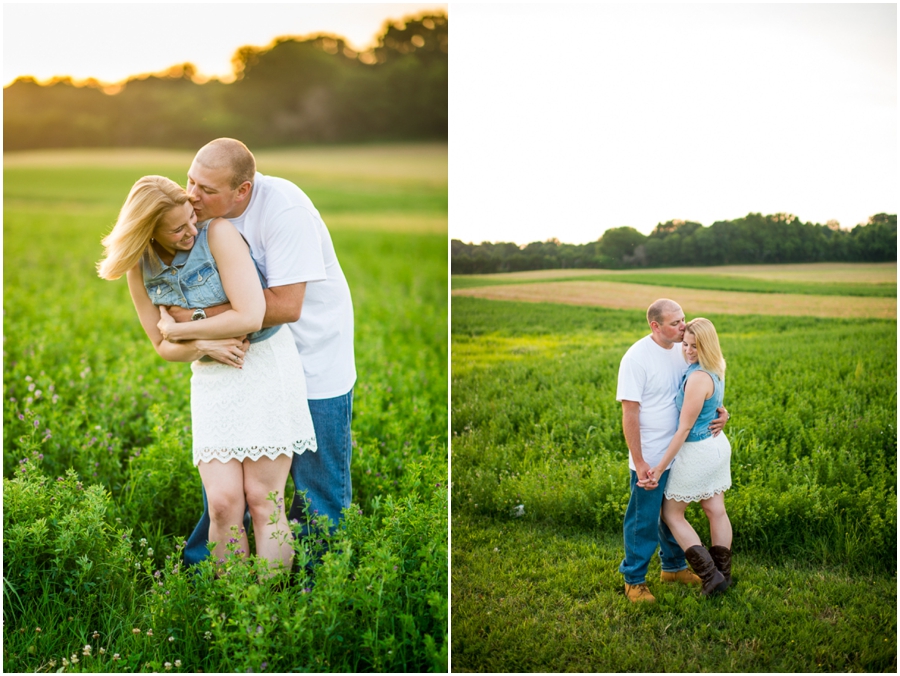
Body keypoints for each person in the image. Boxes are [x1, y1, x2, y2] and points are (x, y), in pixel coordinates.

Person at [97, 175, 317, 576]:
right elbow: (162, 349)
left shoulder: (218, 234)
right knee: (222, 504)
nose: (190, 230)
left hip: (262, 364)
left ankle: (270, 607)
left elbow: (249, 315)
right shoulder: (138, 270)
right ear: (149, 232)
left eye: (190, 219)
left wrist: (182, 328)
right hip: (213, 379)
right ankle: (233, 603)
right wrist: (204, 346)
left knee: (264, 501)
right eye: (178, 228)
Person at [162, 139, 356, 566]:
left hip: (313, 360)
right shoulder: (193, 217)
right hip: (249, 363)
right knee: (228, 491)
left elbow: (287, 306)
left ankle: (320, 587)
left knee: (316, 486)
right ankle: (202, 573)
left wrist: (189, 322)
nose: (192, 195)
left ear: (243, 191)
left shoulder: (285, 210)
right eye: (190, 180)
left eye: (206, 189)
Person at [615, 298, 728, 603]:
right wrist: (639, 462)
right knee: (645, 517)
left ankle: (674, 567)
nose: (683, 327)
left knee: (671, 513)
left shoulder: (684, 349)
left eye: (683, 319)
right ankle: (634, 580)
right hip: (652, 455)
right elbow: (630, 412)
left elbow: (700, 387)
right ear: (656, 326)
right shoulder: (637, 358)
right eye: (676, 323)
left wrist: (721, 411)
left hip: (683, 451)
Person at [645, 318, 733, 596]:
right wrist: (723, 413)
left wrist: (659, 467)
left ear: (707, 345)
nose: (688, 351)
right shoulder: (716, 367)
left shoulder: (696, 378)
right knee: (715, 509)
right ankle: (723, 575)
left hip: (696, 451)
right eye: (685, 344)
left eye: (695, 346)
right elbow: (713, 405)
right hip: (715, 445)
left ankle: (710, 575)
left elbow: (684, 429)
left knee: (671, 513)